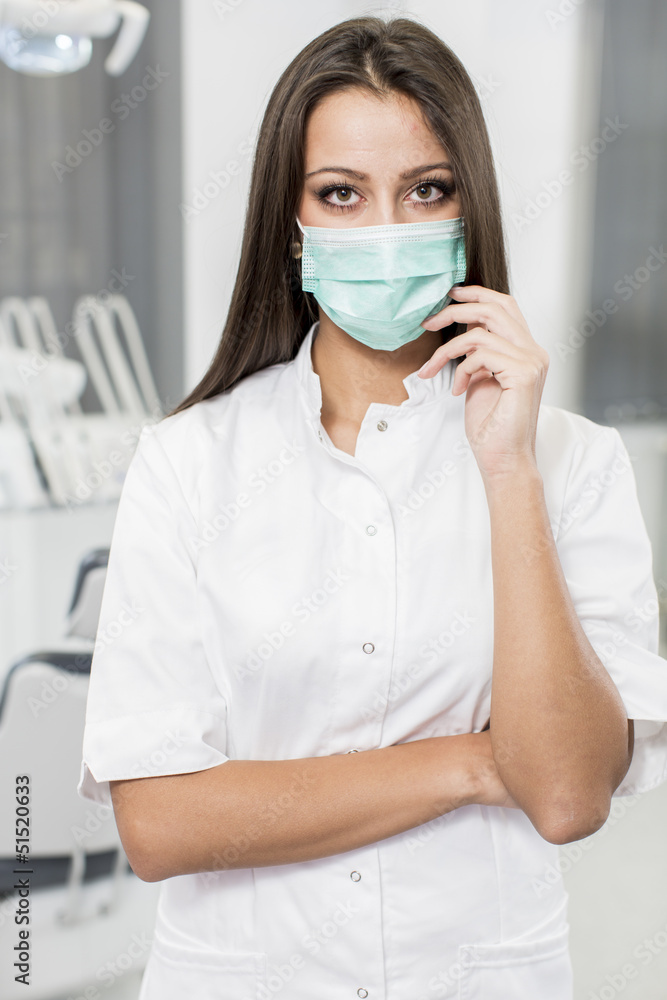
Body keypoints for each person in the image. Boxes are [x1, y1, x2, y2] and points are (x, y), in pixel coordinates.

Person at [77, 14, 667, 1000]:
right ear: (292, 223)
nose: (386, 230)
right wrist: (475, 764)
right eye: (340, 194)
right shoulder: (187, 463)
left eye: (426, 189)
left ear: (470, 209)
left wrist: (508, 472)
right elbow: (162, 825)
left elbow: (565, 793)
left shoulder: (573, 464)